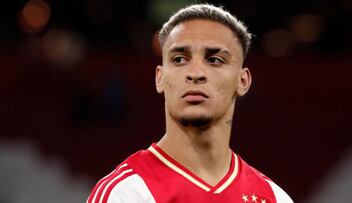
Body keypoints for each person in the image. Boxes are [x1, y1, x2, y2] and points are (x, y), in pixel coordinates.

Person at [86, 3, 293, 203]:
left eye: (214, 60)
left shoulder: (273, 198)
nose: (195, 73)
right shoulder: (126, 194)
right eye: (179, 59)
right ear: (160, 77)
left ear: (243, 81)